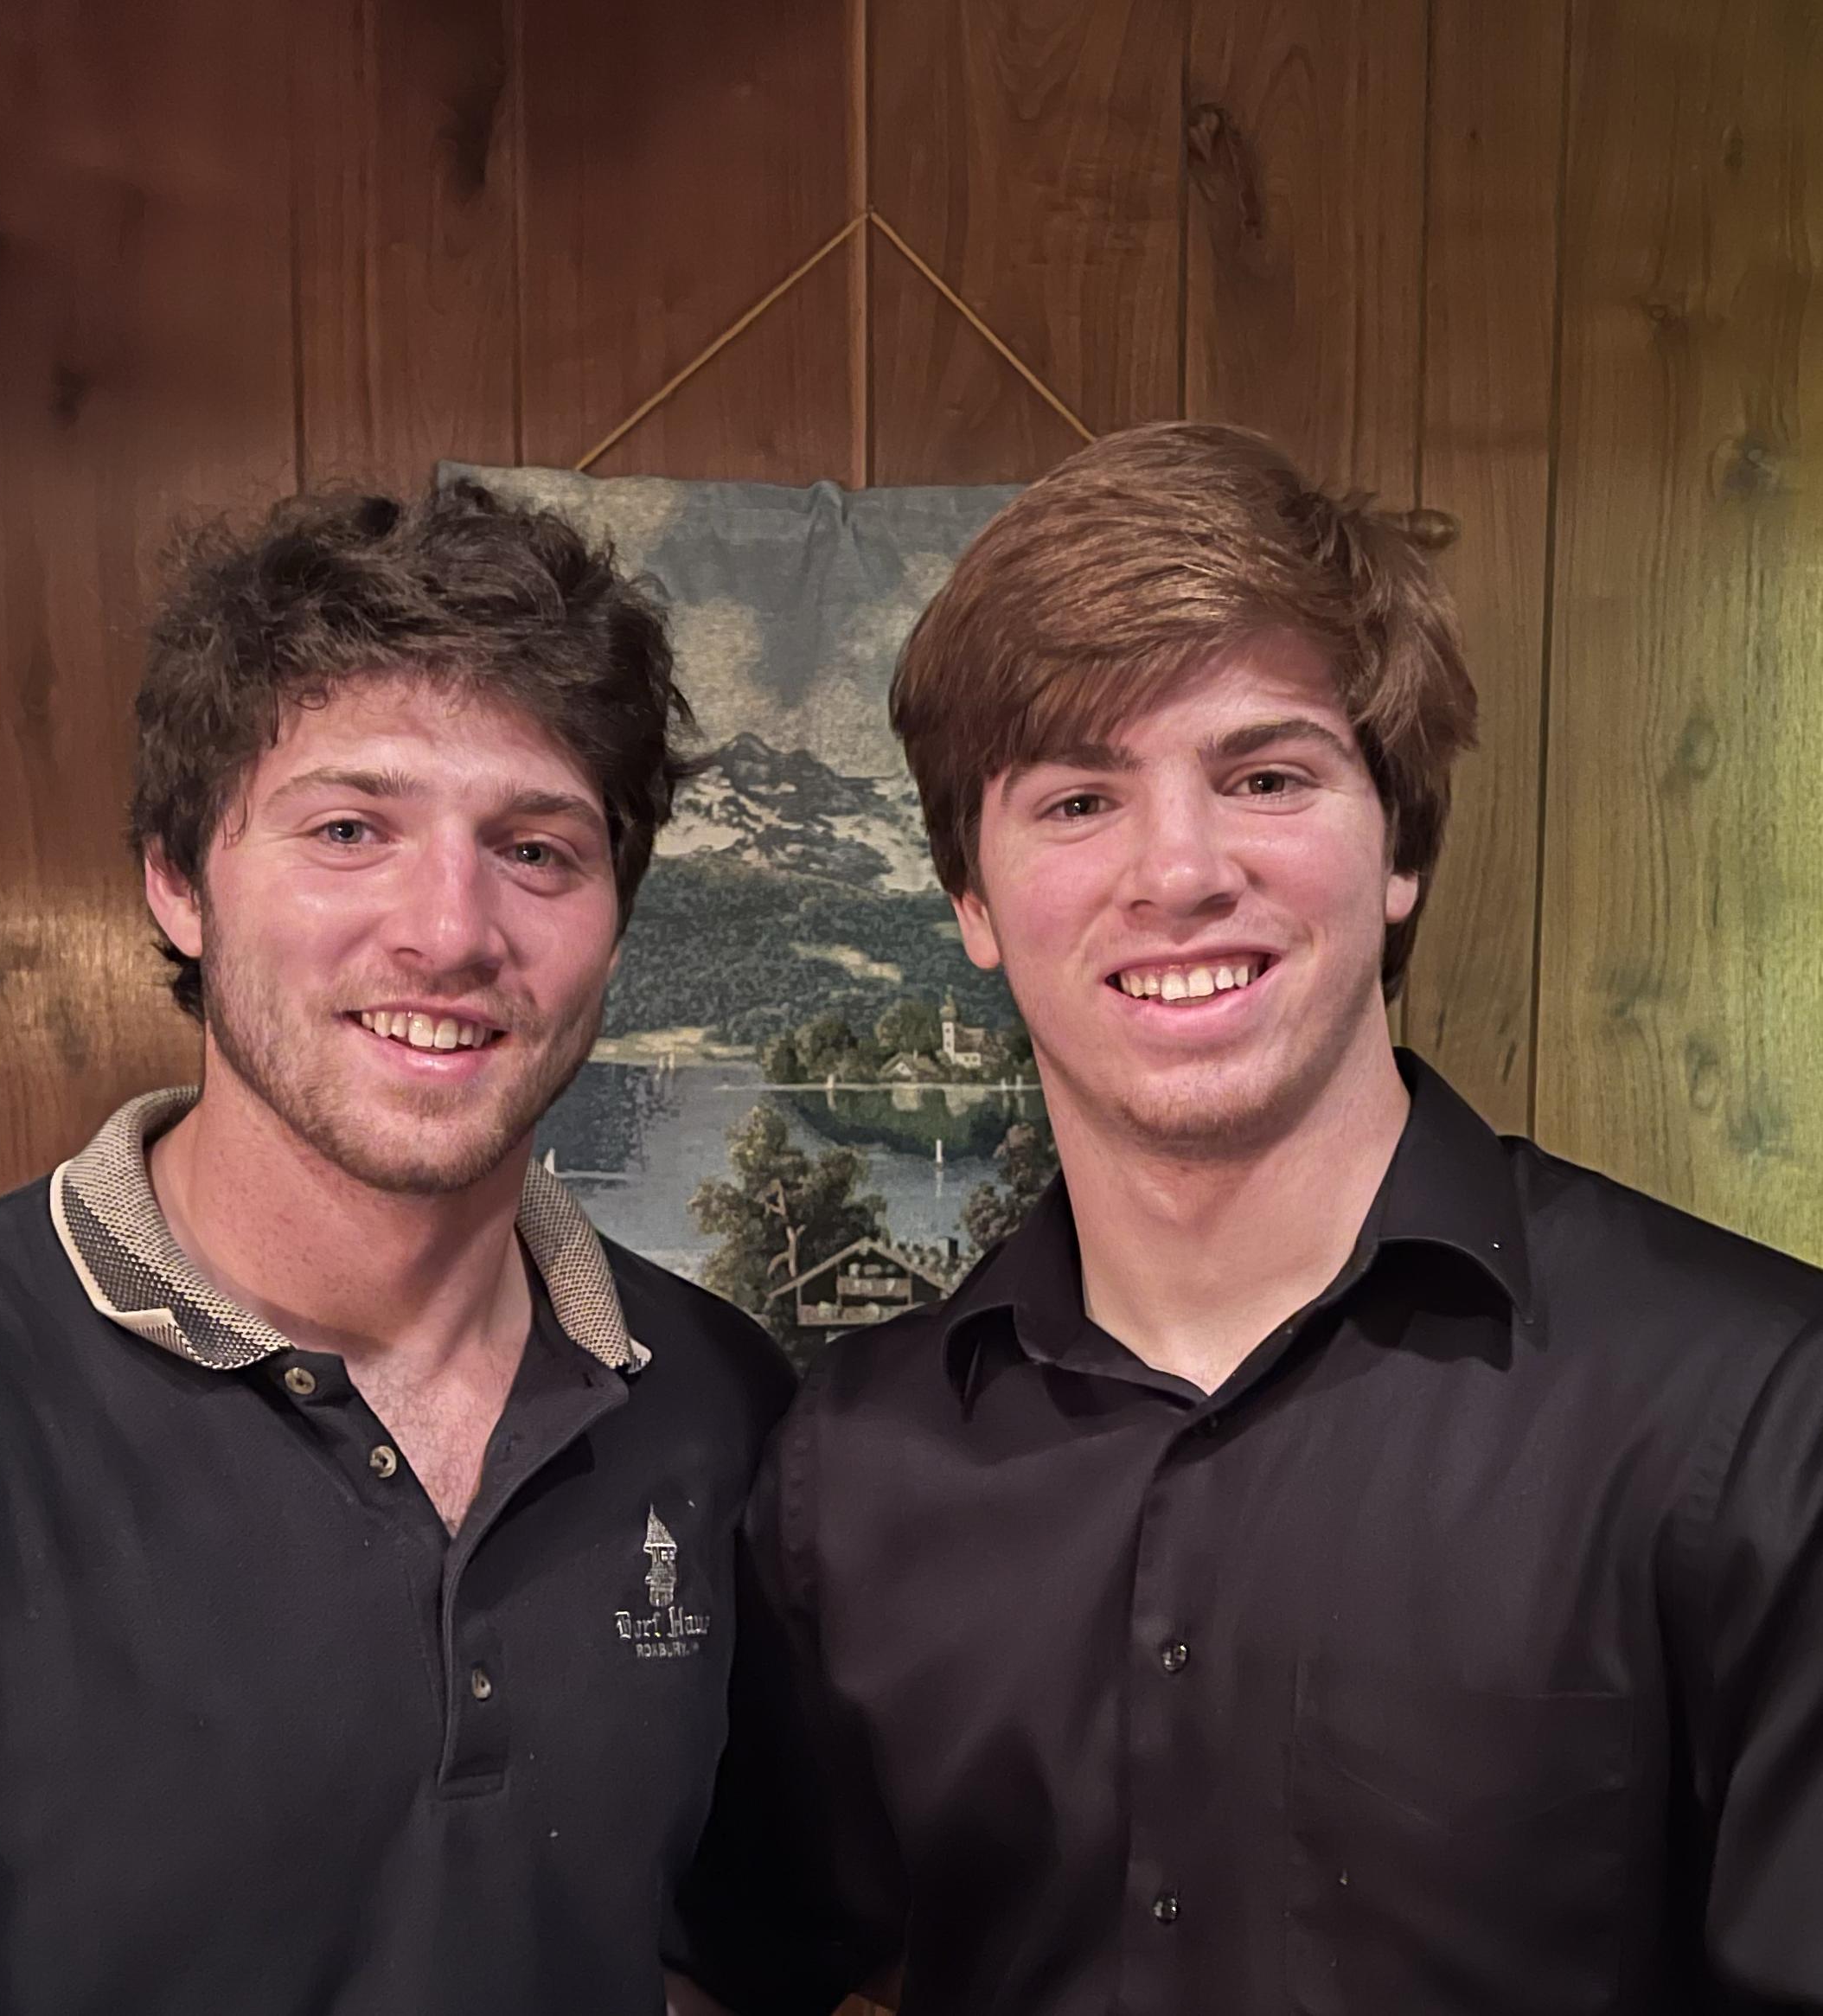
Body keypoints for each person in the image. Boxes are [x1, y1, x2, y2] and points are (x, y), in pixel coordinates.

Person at [677, 422, 1823, 2015]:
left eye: (1266, 777)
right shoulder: (852, 1468)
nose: (1179, 871)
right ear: (973, 901)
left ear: (1398, 847)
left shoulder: (1759, 1411)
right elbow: (740, 1970)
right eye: (1080, 799)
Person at [0, 485, 793, 2013]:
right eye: (348, 830)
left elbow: (715, 1951)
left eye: (537, 849)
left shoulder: (716, 1397)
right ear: (176, 879)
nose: (449, 931)